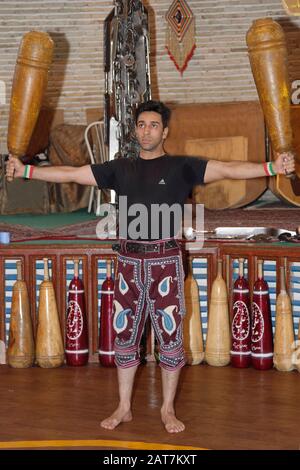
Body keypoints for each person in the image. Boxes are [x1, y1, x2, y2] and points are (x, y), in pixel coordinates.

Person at [6, 100, 295, 434]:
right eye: (141, 124)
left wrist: (272, 167)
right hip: (128, 264)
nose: (146, 130)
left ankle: (168, 409)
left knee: (170, 340)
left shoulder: (181, 167)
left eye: (153, 125)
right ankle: (124, 407)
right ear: (135, 130)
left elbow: (229, 168)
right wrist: (27, 171)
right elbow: (72, 174)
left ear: (165, 131)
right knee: (124, 339)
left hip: (165, 264)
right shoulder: (119, 168)